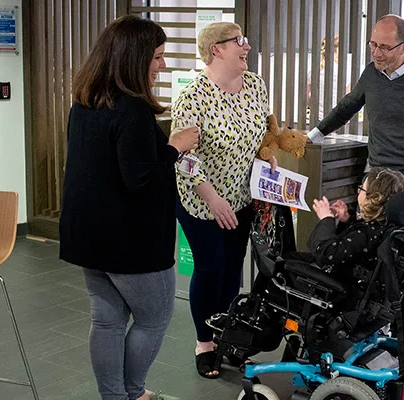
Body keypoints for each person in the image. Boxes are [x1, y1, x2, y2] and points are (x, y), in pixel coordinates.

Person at [60, 15, 199, 400]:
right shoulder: (133, 110)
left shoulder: (85, 102)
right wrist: (175, 147)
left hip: (88, 235)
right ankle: (133, 392)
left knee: (106, 321)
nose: (163, 66)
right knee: (154, 318)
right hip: (129, 242)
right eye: (157, 57)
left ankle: (115, 397)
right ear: (135, 59)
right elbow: (141, 178)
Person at [171, 21, 272, 379]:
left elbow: (263, 130)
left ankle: (226, 336)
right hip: (201, 200)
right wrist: (212, 198)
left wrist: (267, 154)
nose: (247, 46)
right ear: (216, 49)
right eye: (239, 41)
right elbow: (183, 156)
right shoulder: (193, 97)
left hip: (241, 195)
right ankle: (204, 343)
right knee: (210, 267)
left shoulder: (255, 85)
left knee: (232, 268)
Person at [308, 15, 404, 196]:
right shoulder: (371, 73)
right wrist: (313, 136)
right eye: (373, 45)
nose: (376, 53)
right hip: (375, 174)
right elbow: (346, 107)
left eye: (384, 47)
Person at [308, 168, 404, 273]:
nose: (358, 192)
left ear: (372, 199)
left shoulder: (366, 234)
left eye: (362, 189)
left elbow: (326, 255)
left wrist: (326, 219)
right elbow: (351, 245)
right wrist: (347, 220)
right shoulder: (385, 225)